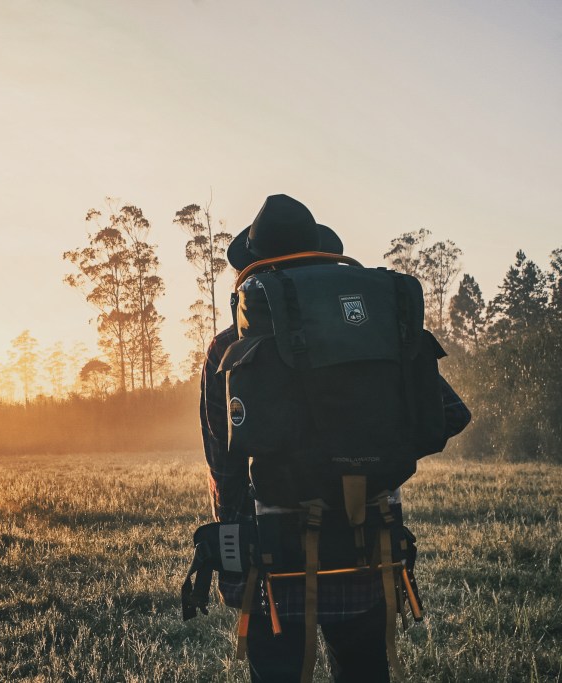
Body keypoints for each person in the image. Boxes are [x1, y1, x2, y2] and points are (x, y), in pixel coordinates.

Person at [200, 194, 471, 682]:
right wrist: (370, 452)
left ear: (256, 268)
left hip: (274, 559)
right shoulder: (380, 333)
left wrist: (235, 564)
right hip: (369, 544)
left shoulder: (228, 348)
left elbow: (225, 468)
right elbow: (449, 414)